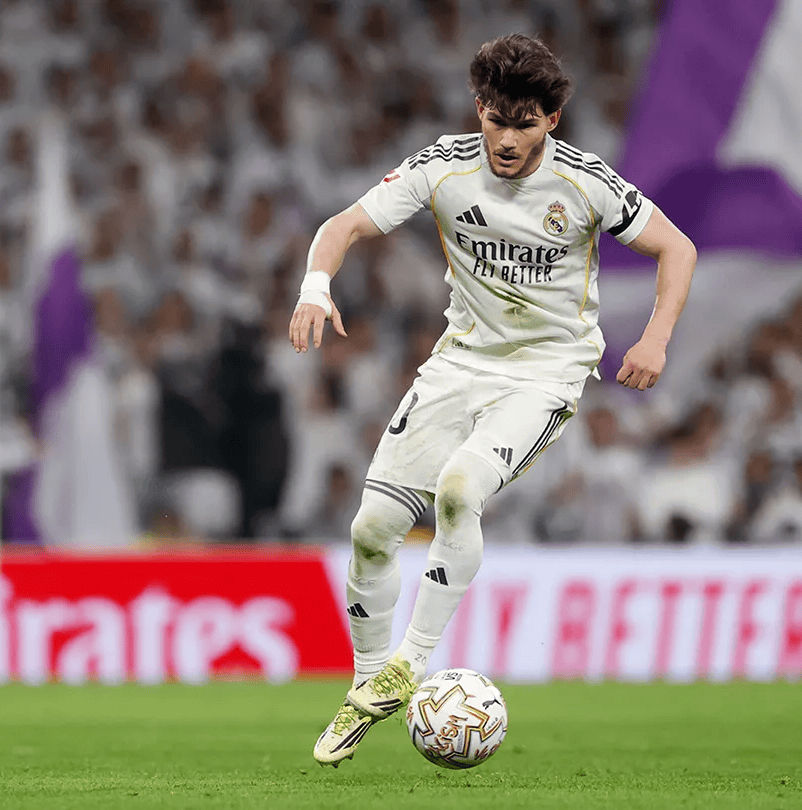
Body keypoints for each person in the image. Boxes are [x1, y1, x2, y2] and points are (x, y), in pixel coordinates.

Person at [288, 34, 696, 767]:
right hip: (459, 364)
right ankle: (366, 683)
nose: (506, 140)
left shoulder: (586, 183)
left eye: (524, 124)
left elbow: (678, 248)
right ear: (479, 108)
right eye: (496, 120)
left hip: (546, 372)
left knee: (457, 490)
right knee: (372, 530)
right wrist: (315, 287)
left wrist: (656, 339)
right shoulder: (443, 166)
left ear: (553, 120)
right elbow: (342, 225)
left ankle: (412, 660)